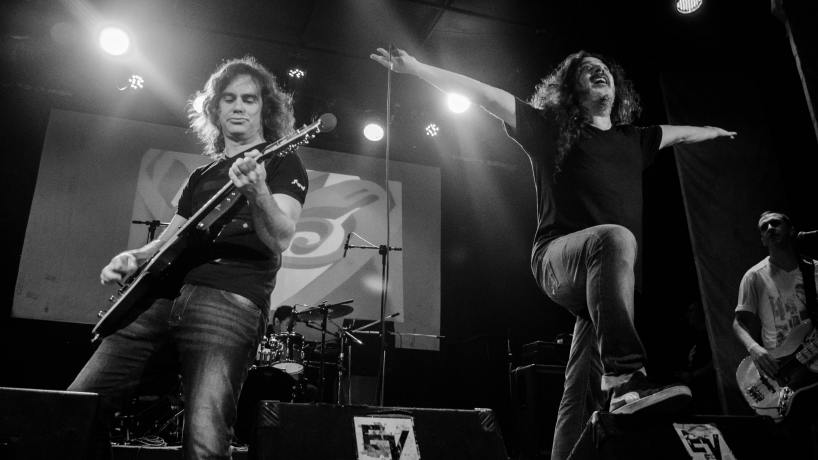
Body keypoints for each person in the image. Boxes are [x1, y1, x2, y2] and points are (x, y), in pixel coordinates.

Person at [371, 47, 735, 459]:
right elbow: (483, 94)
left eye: (604, 69)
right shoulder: (548, 127)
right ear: (570, 89)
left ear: (617, 87)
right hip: (556, 260)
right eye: (587, 70)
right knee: (615, 238)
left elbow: (680, 133)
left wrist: (713, 130)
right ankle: (625, 379)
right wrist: (416, 68)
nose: (599, 72)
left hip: (602, 284)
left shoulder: (635, 140)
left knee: (579, 392)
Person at [68, 56, 308, 459]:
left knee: (205, 440)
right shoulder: (201, 176)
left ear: (264, 109)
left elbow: (280, 238)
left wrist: (258, 193)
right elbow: (170, 239)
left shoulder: (282, 160)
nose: (238, 106)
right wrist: (135, 256)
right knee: (77, 408)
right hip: (161, 297)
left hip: (227, 298)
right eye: (229, 98)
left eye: (249, 99)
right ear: (215, 108)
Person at [733, 211, 818, 387]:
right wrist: (754, 348)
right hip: (779, 369)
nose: (770, 228)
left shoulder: (814, 269)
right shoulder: (754, 276)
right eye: (764, 227)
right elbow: (738, 323)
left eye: (776, 223)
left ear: (791, 230)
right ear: (763, 240)